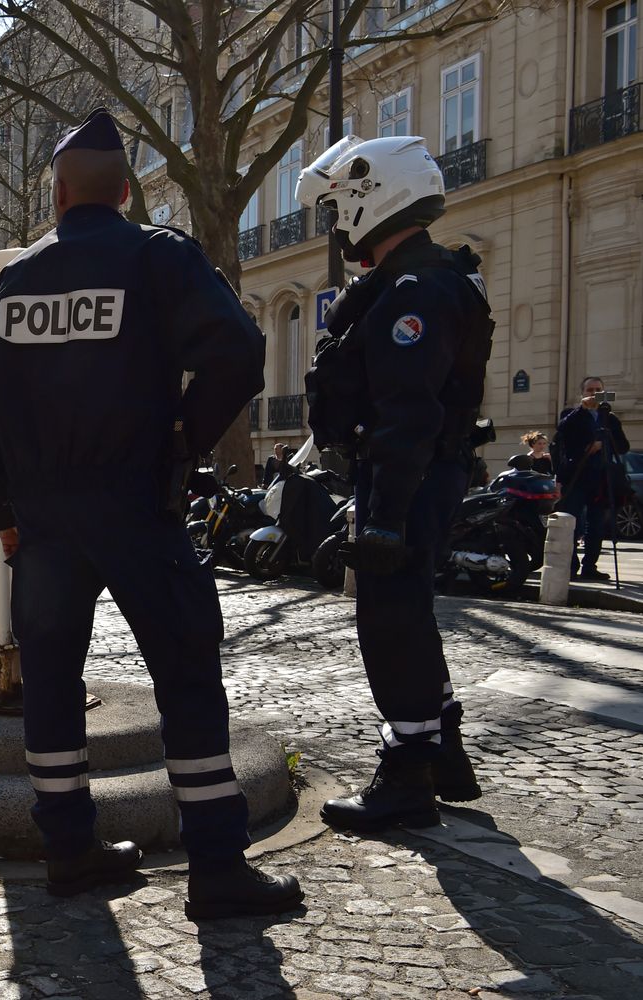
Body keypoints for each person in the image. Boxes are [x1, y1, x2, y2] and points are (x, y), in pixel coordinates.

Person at [0, 107, 302, 917]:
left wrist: (7, 509)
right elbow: (239, 354)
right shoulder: (157, 258)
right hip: (136, 504)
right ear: (126, 191)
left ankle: (69, 850)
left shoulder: (14, 282)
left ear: (55, 195)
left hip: (43, 521)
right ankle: (216, 867)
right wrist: (184, 437)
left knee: (49, 685)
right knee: (185, 676)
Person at [296, 134, 494, 831]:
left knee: (390, 620)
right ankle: (442, 751)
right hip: (405, 473)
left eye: (336, 207)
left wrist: (385, 513)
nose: (333, 223)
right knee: (405, 614)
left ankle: (407, 775)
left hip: (405, 477)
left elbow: (409, 407)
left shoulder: (419, 287)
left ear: (369, 196)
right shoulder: (411, 279)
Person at [555, 377, 630, 580]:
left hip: (601, 479)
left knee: (596, 525)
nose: (594, 393)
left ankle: (590, 566)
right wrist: (582, 409)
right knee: (570, 523)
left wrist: (605, 441)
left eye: (598, 390)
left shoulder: (610, 418)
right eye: (590, 389)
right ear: (583, 392)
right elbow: (562, 430)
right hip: (577, 476)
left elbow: (624, 446)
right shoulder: (572, 415)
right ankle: (570, 566)